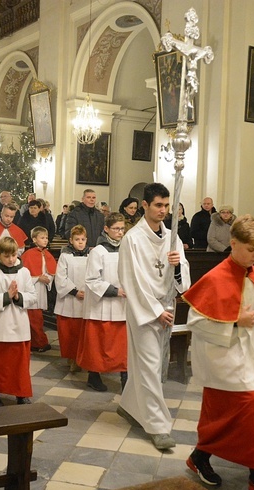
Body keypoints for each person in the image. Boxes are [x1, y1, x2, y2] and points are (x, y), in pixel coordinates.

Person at [182, 215, 254, 490]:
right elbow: (195, 322)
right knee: (251, 405)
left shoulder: (253, 273)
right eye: (250, 249)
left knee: (221, 416)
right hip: (223, 358)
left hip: (247, 357)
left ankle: (200, 456)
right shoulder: (216, 277)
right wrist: (234, 320)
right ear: (233, 243)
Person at [117, 182, 190, 451]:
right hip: (145, 311)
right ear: (145, 205)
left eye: (166, 206)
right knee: (149, 365)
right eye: (158, 205)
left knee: (151, 364)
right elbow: (132, 280)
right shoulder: (132, 239)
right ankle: (158, 426)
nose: (163, 210)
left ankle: (128, 405)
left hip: (166, 307)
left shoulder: (173, 238)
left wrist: (177, 265)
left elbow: (183, 280)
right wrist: (156, 311)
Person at [0, 236, 37, 407]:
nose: (11, 260)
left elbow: (33, 296)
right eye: (7, 256)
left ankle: (21, 393)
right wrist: (6, 296)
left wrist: (18, 296)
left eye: (14, 255)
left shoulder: (24, 272)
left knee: (19, 364)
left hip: (18, 324)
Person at [77, 213, 128, 393]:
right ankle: (93, 376)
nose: (120, 232)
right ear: (106, 229)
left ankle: (125, 377)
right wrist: (115, 291)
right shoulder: (98, 251)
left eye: (122, 228)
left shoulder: (127, 249)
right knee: (98, 343)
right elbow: (91, 280)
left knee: (123, 345)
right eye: (116, 229)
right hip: (102, 306)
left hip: (123, 306)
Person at [54, 224, 89, 372]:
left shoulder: (91, 255)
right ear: (71, 240)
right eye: (77, 239)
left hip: (87, 299)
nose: (80, 242)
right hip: (69, 300)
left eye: (82, 239)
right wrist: (74, 291)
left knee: (83, 333)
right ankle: (72, 358)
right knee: (70, 333)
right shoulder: (65, 256)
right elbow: (61, 277)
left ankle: (83, 358)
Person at [20, 226, 56, 352]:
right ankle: (39, 342)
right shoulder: (28, 255)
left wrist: (48, 279)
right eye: (42, 238)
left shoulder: (47, 254)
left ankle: (38, 342)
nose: (45, 240)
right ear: (34, 239)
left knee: (38, 318)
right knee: (33, 318)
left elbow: (51, 271)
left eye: (46, 238)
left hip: (42, 288)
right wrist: (37, 278)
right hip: (32, 288)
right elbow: (23, 275)